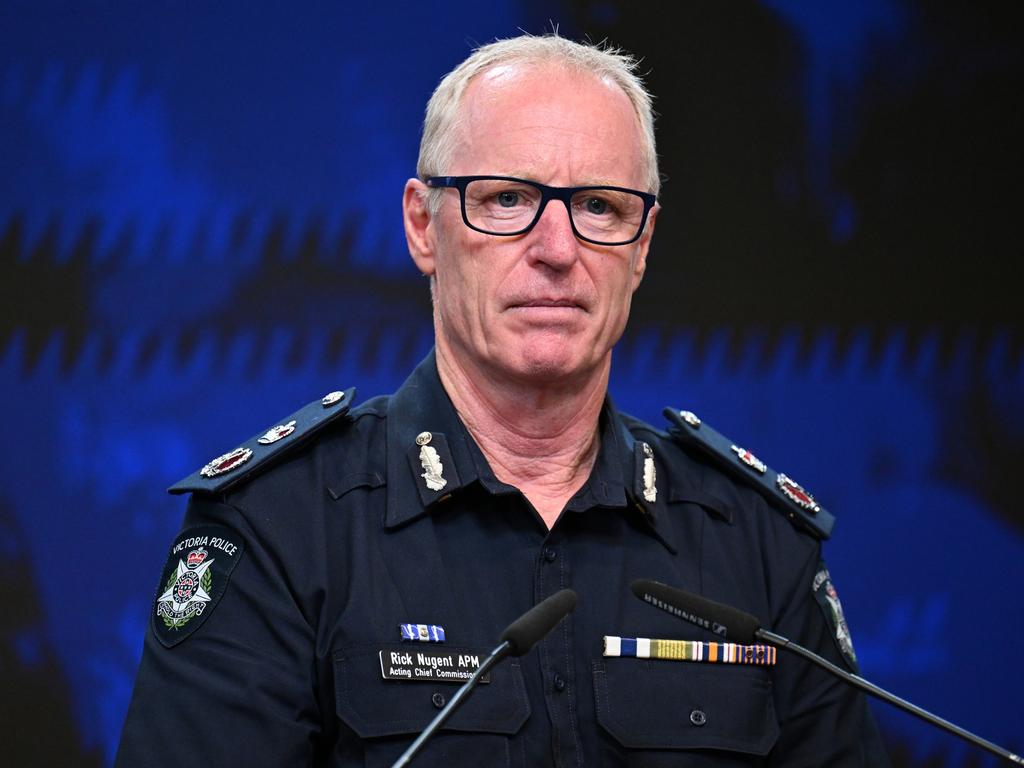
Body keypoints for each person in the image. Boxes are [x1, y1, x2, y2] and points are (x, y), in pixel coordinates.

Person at [116, 34, 887, 766]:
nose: (557, 249)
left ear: (643, 246)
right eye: (508, 199)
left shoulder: (756, 543)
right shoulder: (278, 529)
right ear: (424, 225)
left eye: (600, 207)